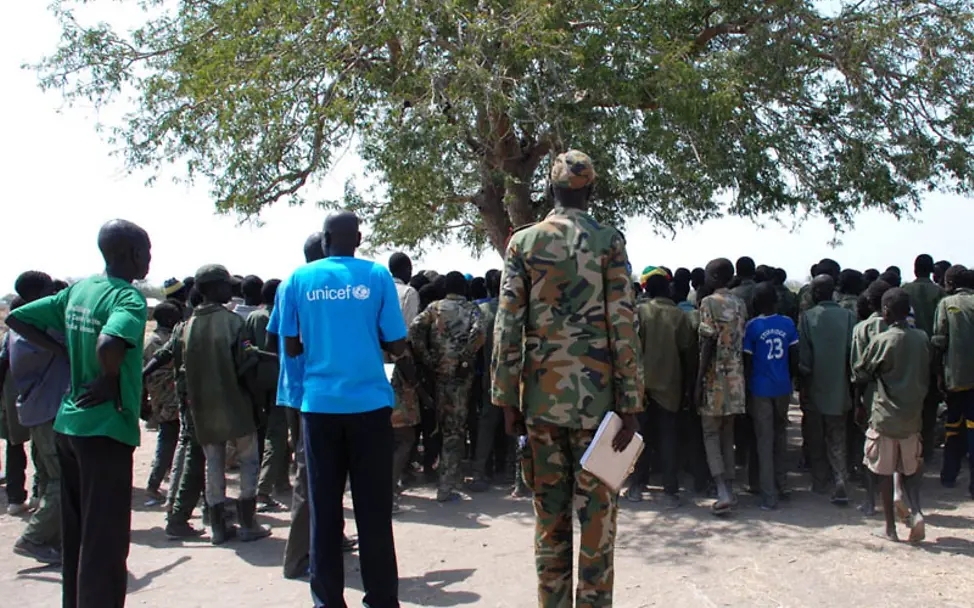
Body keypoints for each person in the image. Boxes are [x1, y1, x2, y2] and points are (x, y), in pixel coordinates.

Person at [492, 150, 642, 607]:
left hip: (540, 404)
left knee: (548, 521)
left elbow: (507, 323)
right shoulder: (608, 241)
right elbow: (623, 323)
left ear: (549, 191)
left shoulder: (523, 242)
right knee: (597, 524)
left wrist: (506, 400)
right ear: (590, 190)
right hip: (600, 408)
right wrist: (632, 402)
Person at [6, 219, 151, 608]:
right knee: (105, 541)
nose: (149, 260)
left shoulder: (80, 290)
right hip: (105, 428)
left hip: (68, 424)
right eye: (146, 252)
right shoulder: (128, 299)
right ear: (130, 253)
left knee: (77, 533)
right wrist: (108, 377)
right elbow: (109, 342)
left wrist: (66, 351)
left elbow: (17, 318)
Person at [280, 211, 411, 608]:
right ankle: (382, 599)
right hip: (370, 408)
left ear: (324, 239)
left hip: (319, 408)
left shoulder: (297, 280)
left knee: (324, 510)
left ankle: (327, 601)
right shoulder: (377, 276)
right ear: (358, 238)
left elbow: (287, 347)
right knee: (374, 512)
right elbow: (398, 343)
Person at [172, 265, 271, 544]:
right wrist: (258, 404)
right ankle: (248, 523)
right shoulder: (232, 323)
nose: (231, 289)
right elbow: (247, 366)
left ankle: (218, 527)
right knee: (249, 460)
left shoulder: (187, 326)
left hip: (203, 408)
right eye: (226, 285)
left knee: (212, 465)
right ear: (214, 288)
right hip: (235, 403)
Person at [854, 288, 930, 542]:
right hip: (912, 416)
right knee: (911, 468)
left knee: (884, 471)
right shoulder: (921, 338)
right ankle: (916, 511)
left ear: (885, 312)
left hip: (885, 416)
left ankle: (890, 528)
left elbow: (861, 372)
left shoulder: (883, 340)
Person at [409, 271, 485, 502]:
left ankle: (452, 477)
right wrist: (464, 358)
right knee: (456, 429)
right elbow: (479, 332)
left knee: (444, 427)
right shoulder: (472, 309)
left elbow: (414, 329)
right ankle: (446, 487)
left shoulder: (434, 308)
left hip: (439, 375)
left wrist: (428, 357)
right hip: (462, 377)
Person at [7, 271, 67, 565]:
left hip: (34, 410)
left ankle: (55, 538)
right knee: (61, 478)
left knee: (46, 477)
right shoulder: (40, 327)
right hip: (49, 410)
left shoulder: (15, 332)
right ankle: (34, 538)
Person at [628, 267, 695, 508]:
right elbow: (688, 352)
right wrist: (688, 386)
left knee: (640, 437)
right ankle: (670, 491)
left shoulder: (640, 312)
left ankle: (637, 486)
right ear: (668, 288)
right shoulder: (679, 315)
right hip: (671, 385)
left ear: (645, 289)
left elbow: (632, 350)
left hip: (642, 386)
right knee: (669, 439)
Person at [694, 258, 748, 514]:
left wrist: (697, 381)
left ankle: (722, 490)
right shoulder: (740, 303)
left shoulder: (708, 303)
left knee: (710, 433)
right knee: (728, 433)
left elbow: (707, 343)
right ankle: (730, 487)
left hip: (714, 378)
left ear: (714, 277)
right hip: (736, 378)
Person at [799, 274, 857, 504]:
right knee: (837, 435)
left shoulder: (807, 318)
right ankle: (840, 477)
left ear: (815, 293)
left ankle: (820, 480)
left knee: (815, 437)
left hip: (815, 386)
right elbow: (853, 354)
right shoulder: (849, 316)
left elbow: (805, 359)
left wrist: (802, 385)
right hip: (840, 386)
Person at [743, 282, 799, 510]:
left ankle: (768, 495)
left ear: (755, 303)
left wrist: (747, 388)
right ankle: (782, 484)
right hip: (782, 387)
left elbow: (747, 361)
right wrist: (790, 380)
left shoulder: (752, 327)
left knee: (764, 441)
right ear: (776, 301)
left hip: (760, 388)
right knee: (781, 436)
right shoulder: (787, 324)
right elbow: (794, 356)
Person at [245, 278, 290, 512]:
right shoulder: (273, 318)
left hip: (259, 384)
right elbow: (273, 352)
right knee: (278, 435)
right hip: (279, 383)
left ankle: (281, 481)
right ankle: (263, 491)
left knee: (273, 434)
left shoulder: (254, 316)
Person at [850, 280, 894, 514]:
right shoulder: (905, 328)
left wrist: (857, 401)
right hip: (899, 396)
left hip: (871, 397)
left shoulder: (862, 329)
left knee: (869, 447)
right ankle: (899, 496)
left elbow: (858, 372)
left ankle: (869, 500)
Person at [933, 265, 974, 497]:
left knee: (953, 428)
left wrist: (939, 375)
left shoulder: (947, 304)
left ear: (950, 283)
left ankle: (949, 475)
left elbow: (939, 341)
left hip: (955, 378)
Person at [387, 252, 422, 513]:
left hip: (375, 367)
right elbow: (407, 334)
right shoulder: (408, 293)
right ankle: (387, 490)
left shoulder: (378, 289)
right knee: (405, 435)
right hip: (398, 366)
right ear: (406, 269)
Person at [902, 254, 945, 458]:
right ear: (932, 271)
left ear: (914, 269)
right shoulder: (941, 293)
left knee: (910, 404)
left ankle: (909, 449)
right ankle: (926, 449)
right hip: (934, 355)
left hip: (909, 353)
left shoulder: (905, 291)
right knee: (930, 405)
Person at [468, 269, 507, 493]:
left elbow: (473, 346)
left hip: (489, 377)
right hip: (515, 376)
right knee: (515, 426)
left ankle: (479, 471)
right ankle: (513, 472)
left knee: (487, 424)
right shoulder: (516, 309)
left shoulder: (481, 311)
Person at [142, 301, 183, 507]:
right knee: (168, 440)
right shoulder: (162, 341)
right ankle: (154, 484)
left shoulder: (152, 340)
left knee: (170, 440)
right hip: (169, 398)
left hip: (162, 397)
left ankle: (158, 483)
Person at [0, 298, 32, 518]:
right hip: (30, 398)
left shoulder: (9, 336)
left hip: (12, 397)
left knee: (15, 446)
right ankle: (21, 496)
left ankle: (15, 497)